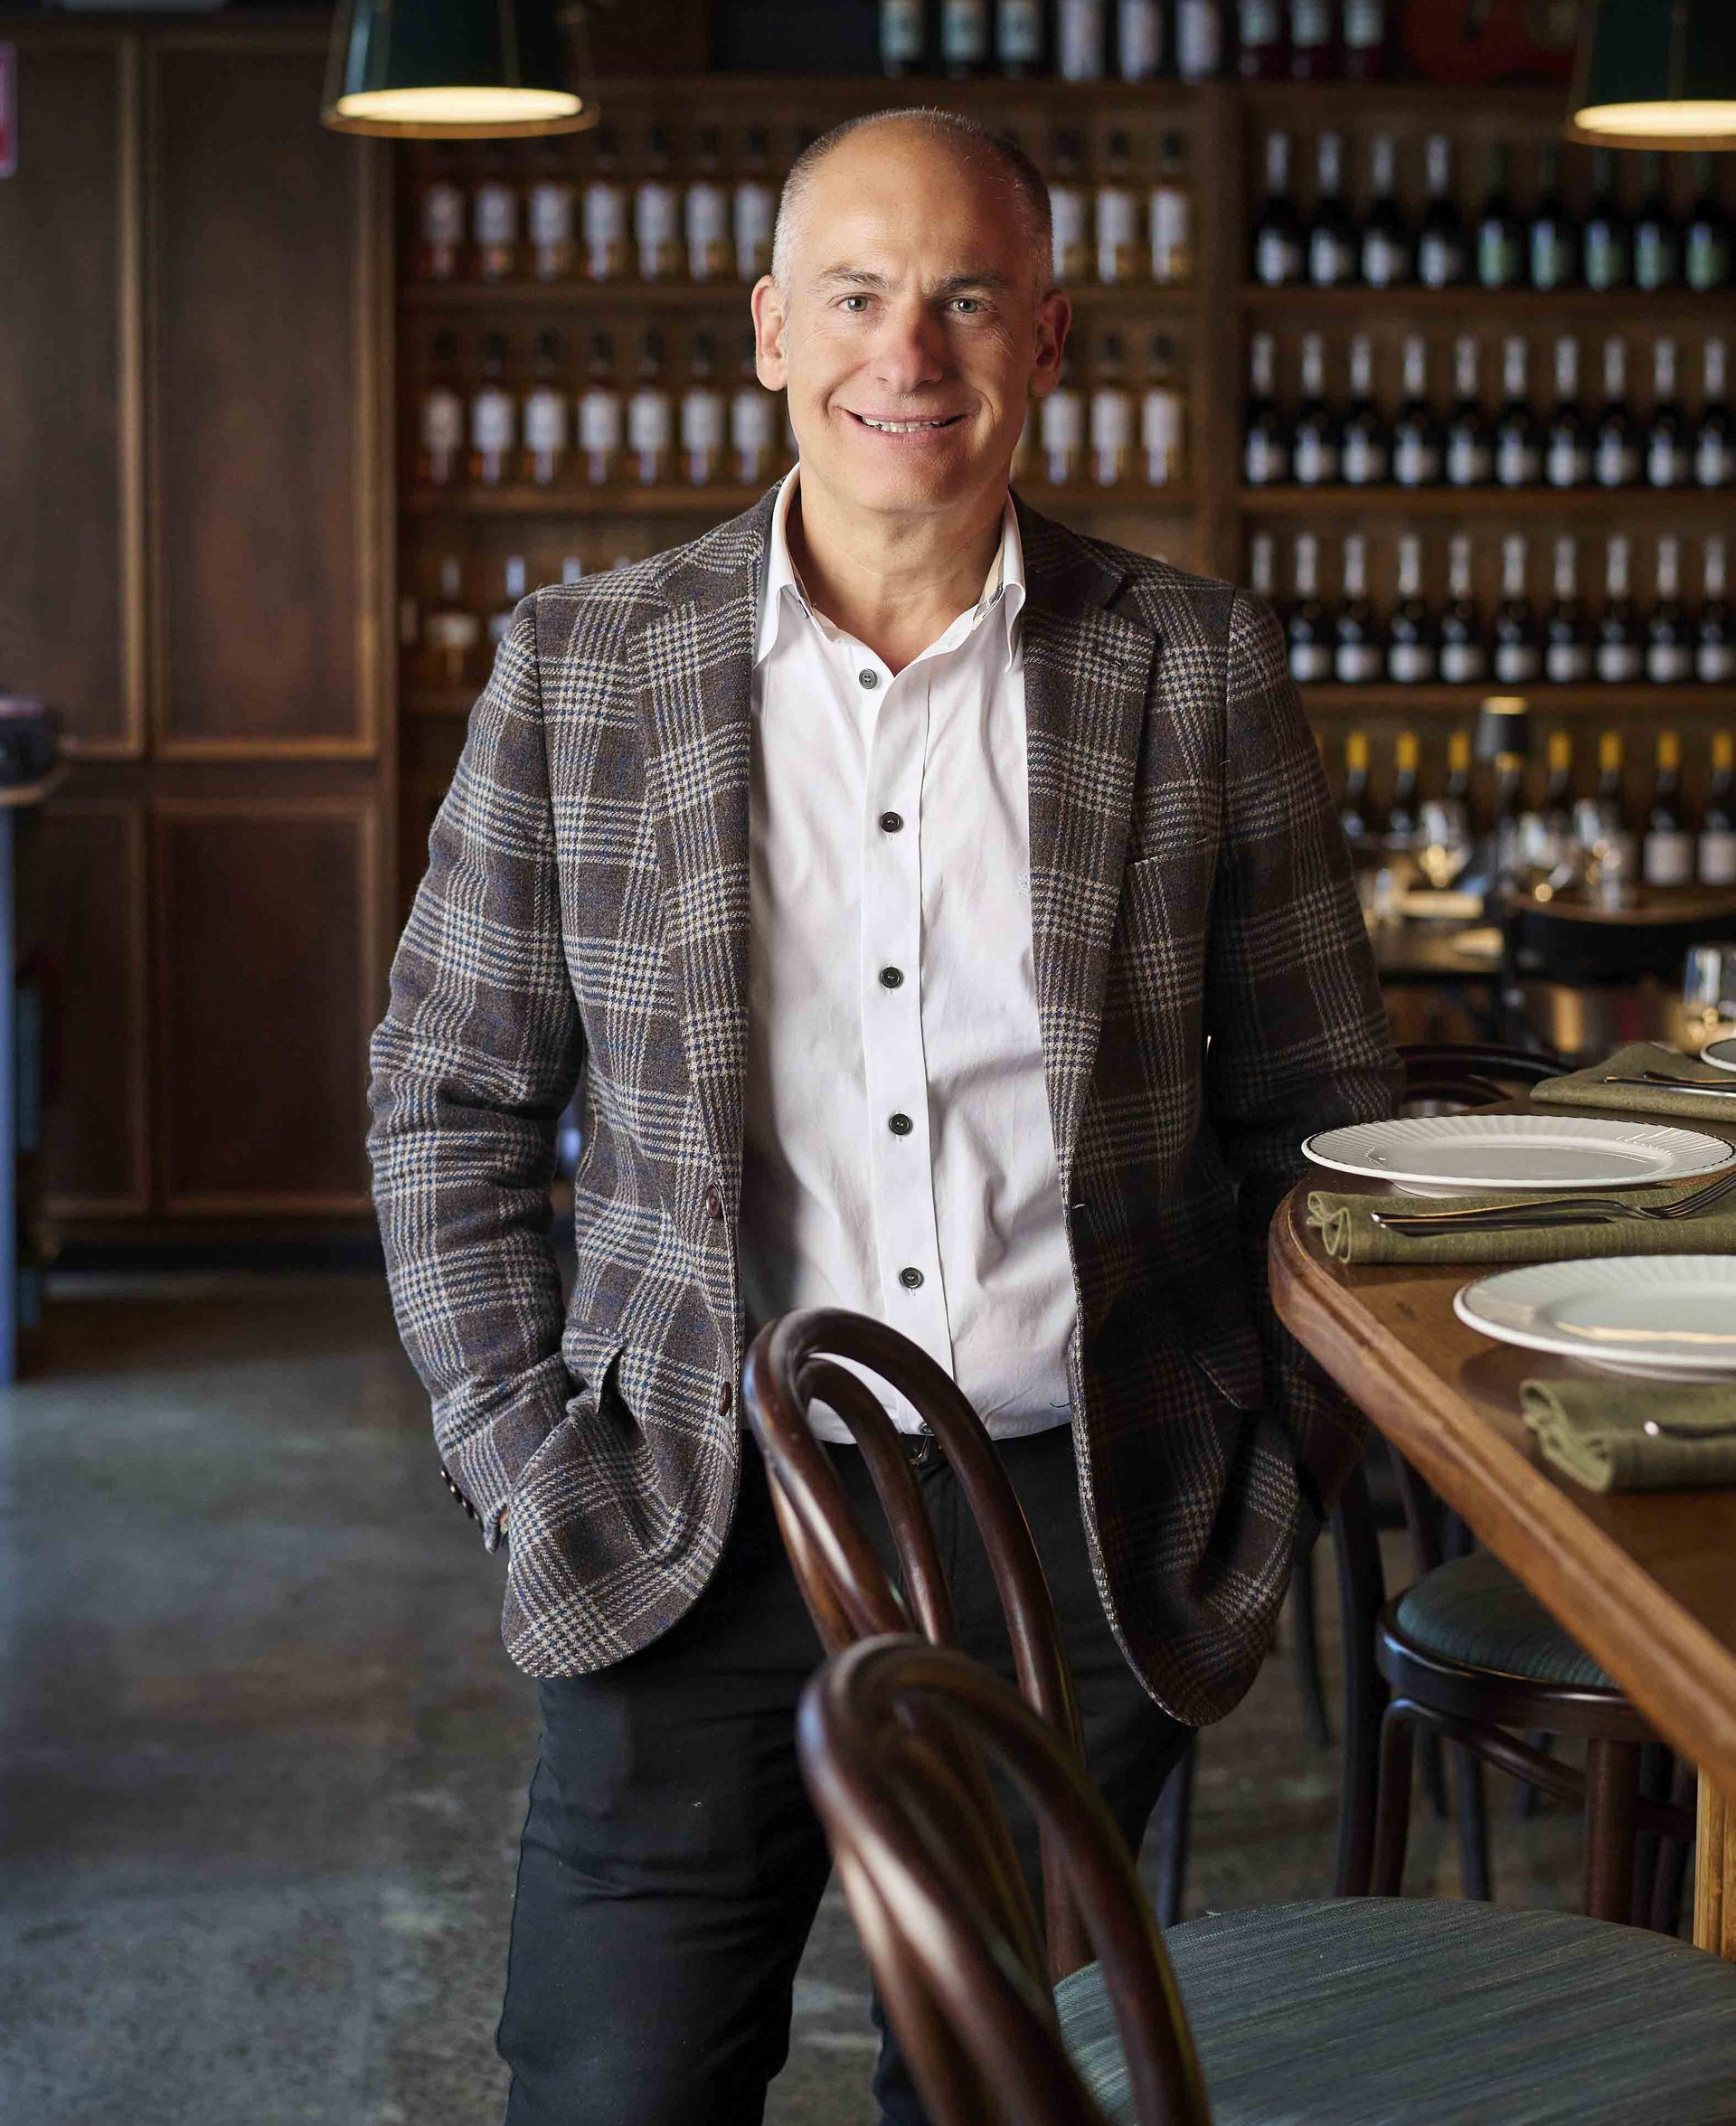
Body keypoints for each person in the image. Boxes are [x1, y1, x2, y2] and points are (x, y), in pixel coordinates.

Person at [367, 106, 1403, 2126]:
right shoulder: (587, 669)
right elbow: (449, 1101)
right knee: (611, 2084)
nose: (903, 353)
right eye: (854, 293)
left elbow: (1323, 1124)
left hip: (1079, 1525)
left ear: (1051, 337)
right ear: (769, 330)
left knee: (1001, 2092)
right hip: (685, 1510)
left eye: (964, 298)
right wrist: (526, 1464)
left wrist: (1254, 1488)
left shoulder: (1193, 673)